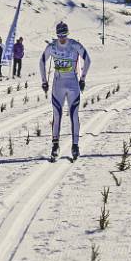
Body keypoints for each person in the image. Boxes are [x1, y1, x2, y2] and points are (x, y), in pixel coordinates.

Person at [40, 22, 91, 162]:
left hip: (73, 83)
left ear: (67, 34)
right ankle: (55, 146)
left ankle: (75, 146)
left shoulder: (74, 45)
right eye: (59, 35)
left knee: (74, 115)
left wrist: (83, 78)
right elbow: (42, 61)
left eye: (64, 35)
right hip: (58, 84)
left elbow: (88, 59)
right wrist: (44, 81)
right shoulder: (52, 46)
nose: (61, 38)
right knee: (57, 115)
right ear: (56, 35)